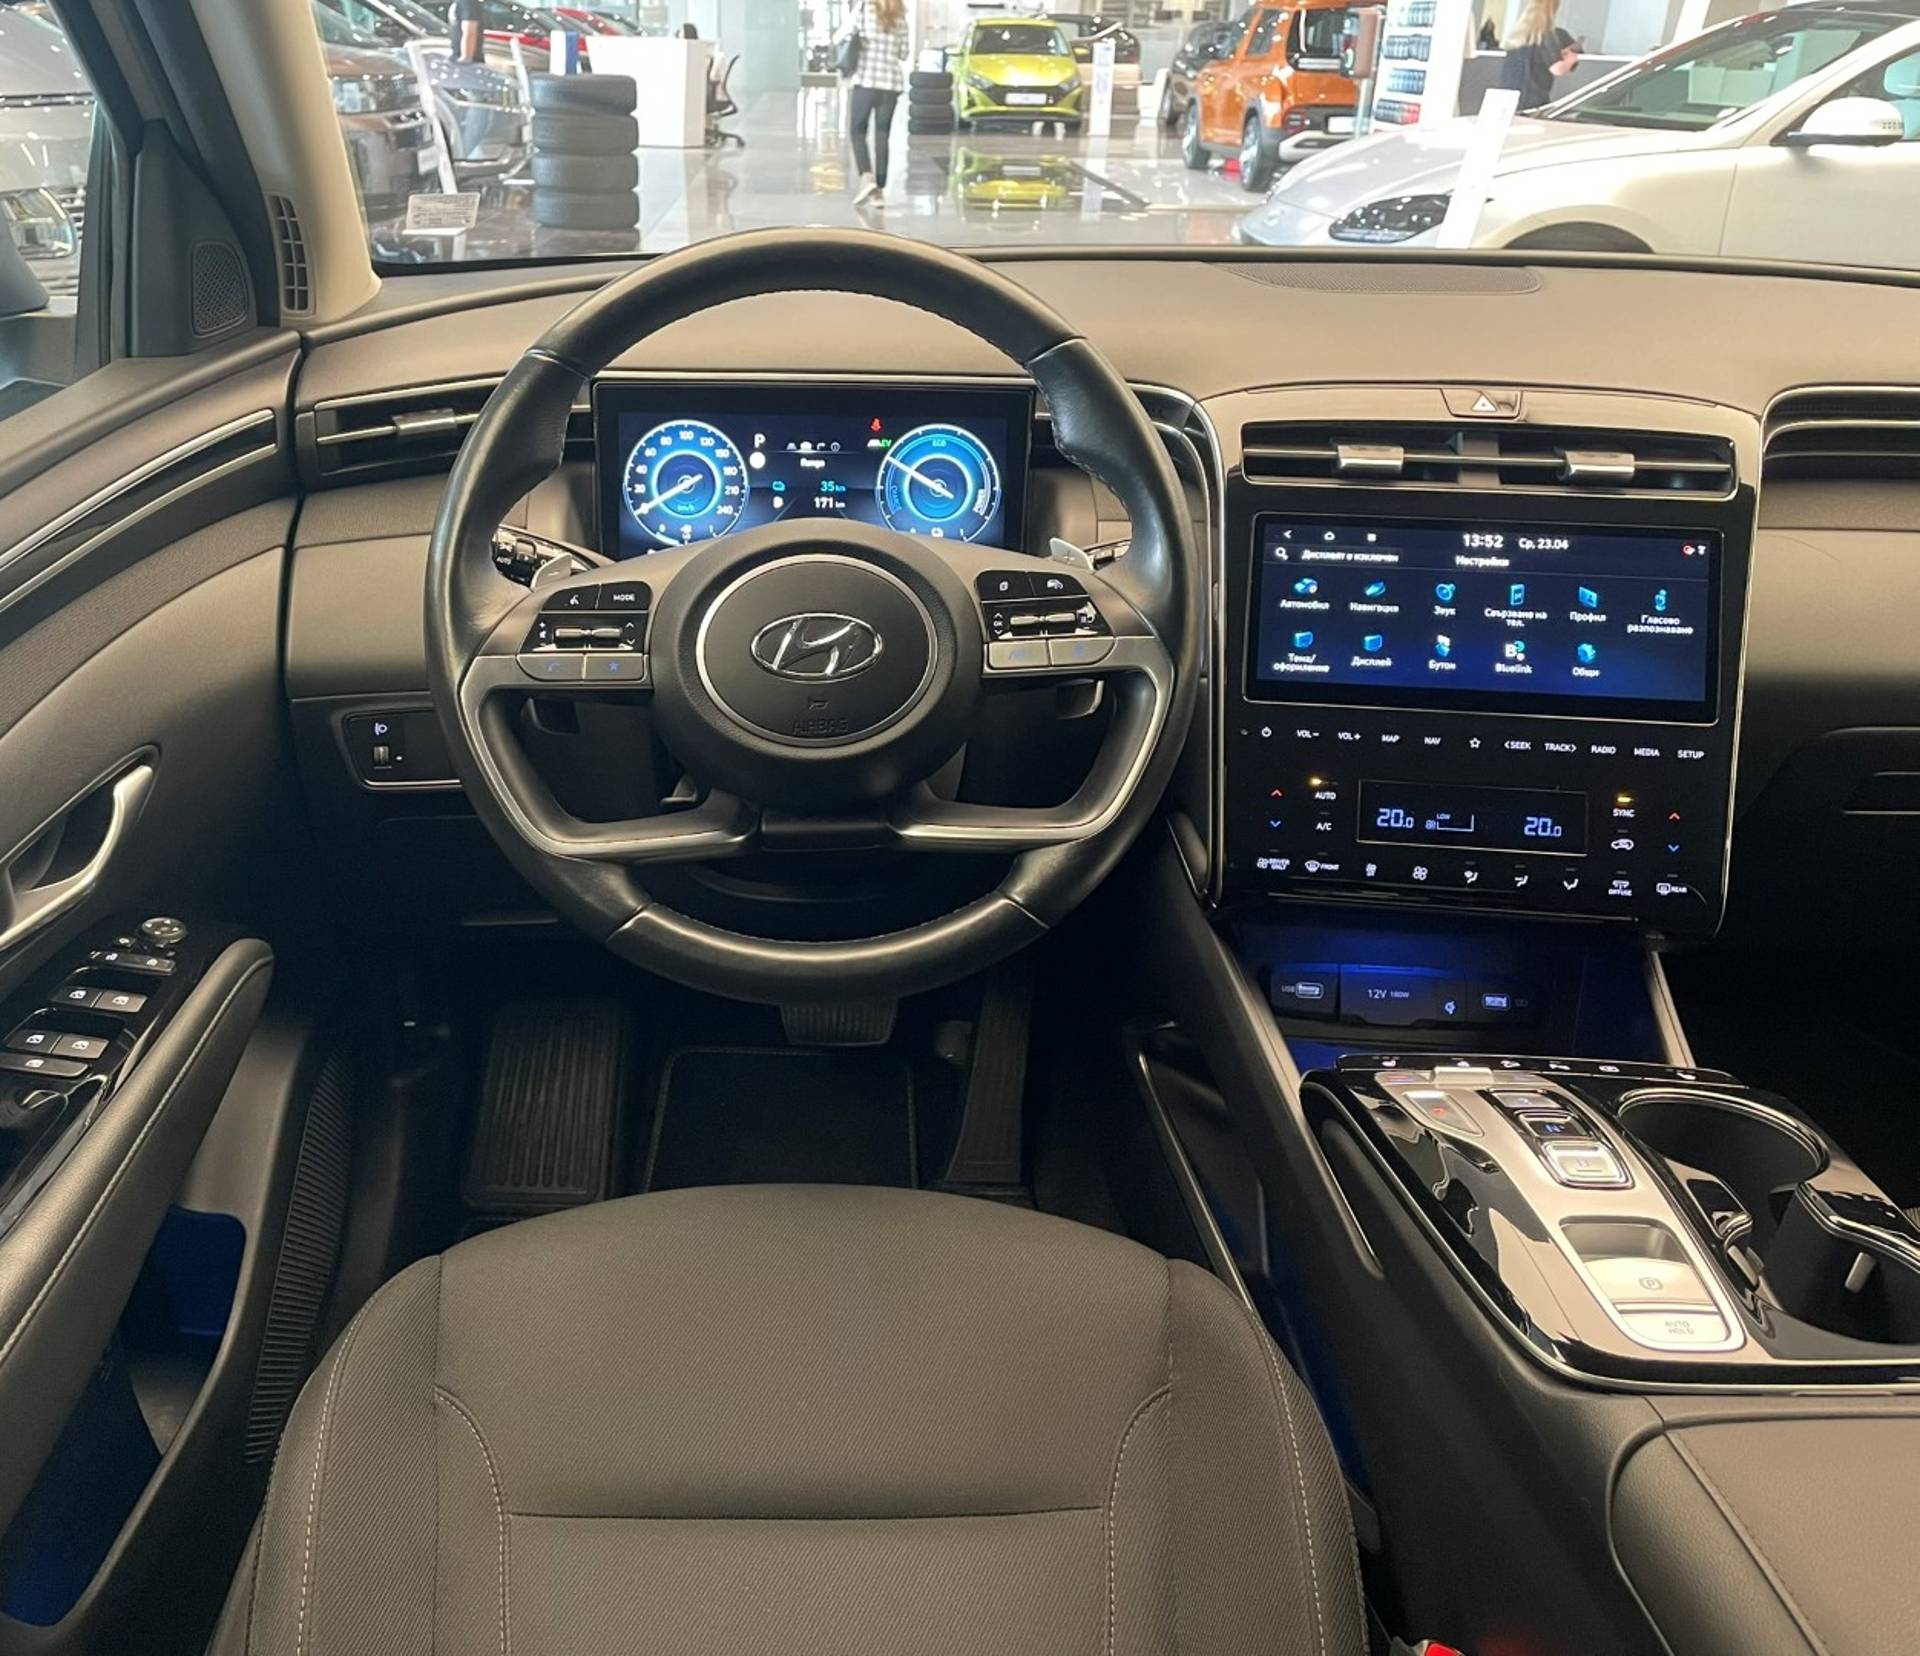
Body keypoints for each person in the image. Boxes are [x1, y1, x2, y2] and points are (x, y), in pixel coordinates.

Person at [841, 0, 910, 208]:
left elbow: (843, 35)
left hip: (866, 81)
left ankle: (867, 177)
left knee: (857, 131)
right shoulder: (900, 16)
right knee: (882, 134)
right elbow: (904, 53)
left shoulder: (864, 8)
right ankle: (879, 191)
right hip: (891, 84)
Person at [1498, 0, 1578, 110]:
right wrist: (1571, 59)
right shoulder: (1546, 36)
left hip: (1508, 98)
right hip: (1532, 100)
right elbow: (1557, 69)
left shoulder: (1517, 35)